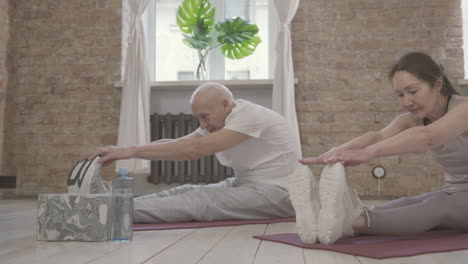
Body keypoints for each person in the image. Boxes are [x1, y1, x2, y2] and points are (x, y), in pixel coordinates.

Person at [289, 51, 468, 245]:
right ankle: (332, 215)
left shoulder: (464, 109)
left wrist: (368, 153)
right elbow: (377, 136)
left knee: (437, 205)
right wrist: (331, 155)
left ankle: (352, 223)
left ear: (438, 83)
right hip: (455, 192)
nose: (406, 102)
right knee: (411, 202)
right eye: (400, 95)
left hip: (456, 199)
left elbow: (429, 137)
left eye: (413, 91)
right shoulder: (412, 119)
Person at [78, 82, 303, 223]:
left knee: (198, 200)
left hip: (280, 194)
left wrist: (128, 152)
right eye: (198, 118)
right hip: (246, 184)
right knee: (186, 189)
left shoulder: (250, 115)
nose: (202, 125)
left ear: (226, 105)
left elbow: (193, 150)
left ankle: (104, 211)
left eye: (204, 116)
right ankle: (115, 203)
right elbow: (180, 142)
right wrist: (121, 150)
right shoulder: (223, 119)